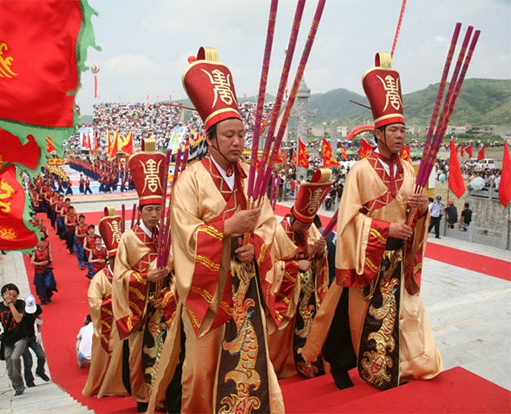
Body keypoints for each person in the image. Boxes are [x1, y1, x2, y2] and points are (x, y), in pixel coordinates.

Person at [148, 47, 282, 413]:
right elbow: (183, 235)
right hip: (206, 295)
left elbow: (270, 227)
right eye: (228, 135)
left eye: (241, 135)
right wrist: (226, 227)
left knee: (250, 362)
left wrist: (255, 243)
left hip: (246, 287)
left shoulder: (251, 180)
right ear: (209, 139)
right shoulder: (190, 180)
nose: (238, 142)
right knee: (201, 369)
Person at [303, 52, 442, 391]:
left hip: (398, 261)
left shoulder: (410, 170)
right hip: (369, 259)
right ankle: (365, 368)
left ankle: (410, 366)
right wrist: (384, 229)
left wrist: (423, 208)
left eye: (402, 130)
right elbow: (349, 222)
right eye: (393, 130)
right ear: (378, 133)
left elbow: (416, 214)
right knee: (360, 320)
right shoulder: (361, 171)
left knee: (405, 316)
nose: (400, 136)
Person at [113, 139, 176, 412]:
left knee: (170, 355)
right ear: (140, 211)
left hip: (167, 310)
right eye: (148, 209)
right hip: (141, 313)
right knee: (141, 359)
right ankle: (145, 399)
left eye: (157, 209)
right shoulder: (129, 239)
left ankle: (165, 396)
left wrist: (168, 294)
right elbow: (119, 277)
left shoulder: (168, 238)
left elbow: (179, 274)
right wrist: (144, 279)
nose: (154, 214)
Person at [266, 170, 332, 380]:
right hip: (287, 296)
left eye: (308, 225)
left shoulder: (310, 229)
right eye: (301, 225)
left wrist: (321, 252)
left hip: (307, 295)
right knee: (283, 336)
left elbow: (317, 258)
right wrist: (294, 266)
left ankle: (307, 362)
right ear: (292, 216)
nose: (305, 229)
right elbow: (269, 266)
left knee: (310, 327)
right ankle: (281, 365)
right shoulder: (277, 233)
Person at [82, 211, 130, 398]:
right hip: (110, 325)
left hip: (128, 321)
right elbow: (94, 303)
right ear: (109, 260)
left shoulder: (128, 273)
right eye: (115, 260)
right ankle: (109, 386)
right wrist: (114, 303)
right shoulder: (100, 278)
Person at [0, 283, 28, 396]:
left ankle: (20, 383)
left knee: (14, 358)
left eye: (15, 296)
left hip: (21, 336)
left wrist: (11, 305)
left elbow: (18, 319)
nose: (12, 298)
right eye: (10, 295)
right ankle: (16, 385)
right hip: (7, 339)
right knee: (9, 364)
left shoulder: (21, 304)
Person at [21, 294, 50, 387]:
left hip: (32, 336)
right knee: (28, 360)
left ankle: (40, 370)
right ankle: (29, 380)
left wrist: (39, 332)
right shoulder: (20, 311)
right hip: (22, 338)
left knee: (41, 355)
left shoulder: (36, 309)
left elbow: (38, 319)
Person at [31, 240, 56, 305]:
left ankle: (48, 296)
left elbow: (50, 258)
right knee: (40, 285)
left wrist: (48, 261)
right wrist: (40, 263)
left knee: (49, 284)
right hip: (39, 271)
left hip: (47, 270)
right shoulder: (35, 252)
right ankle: (43, 299)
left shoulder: (47, 250)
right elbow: (32, 262)